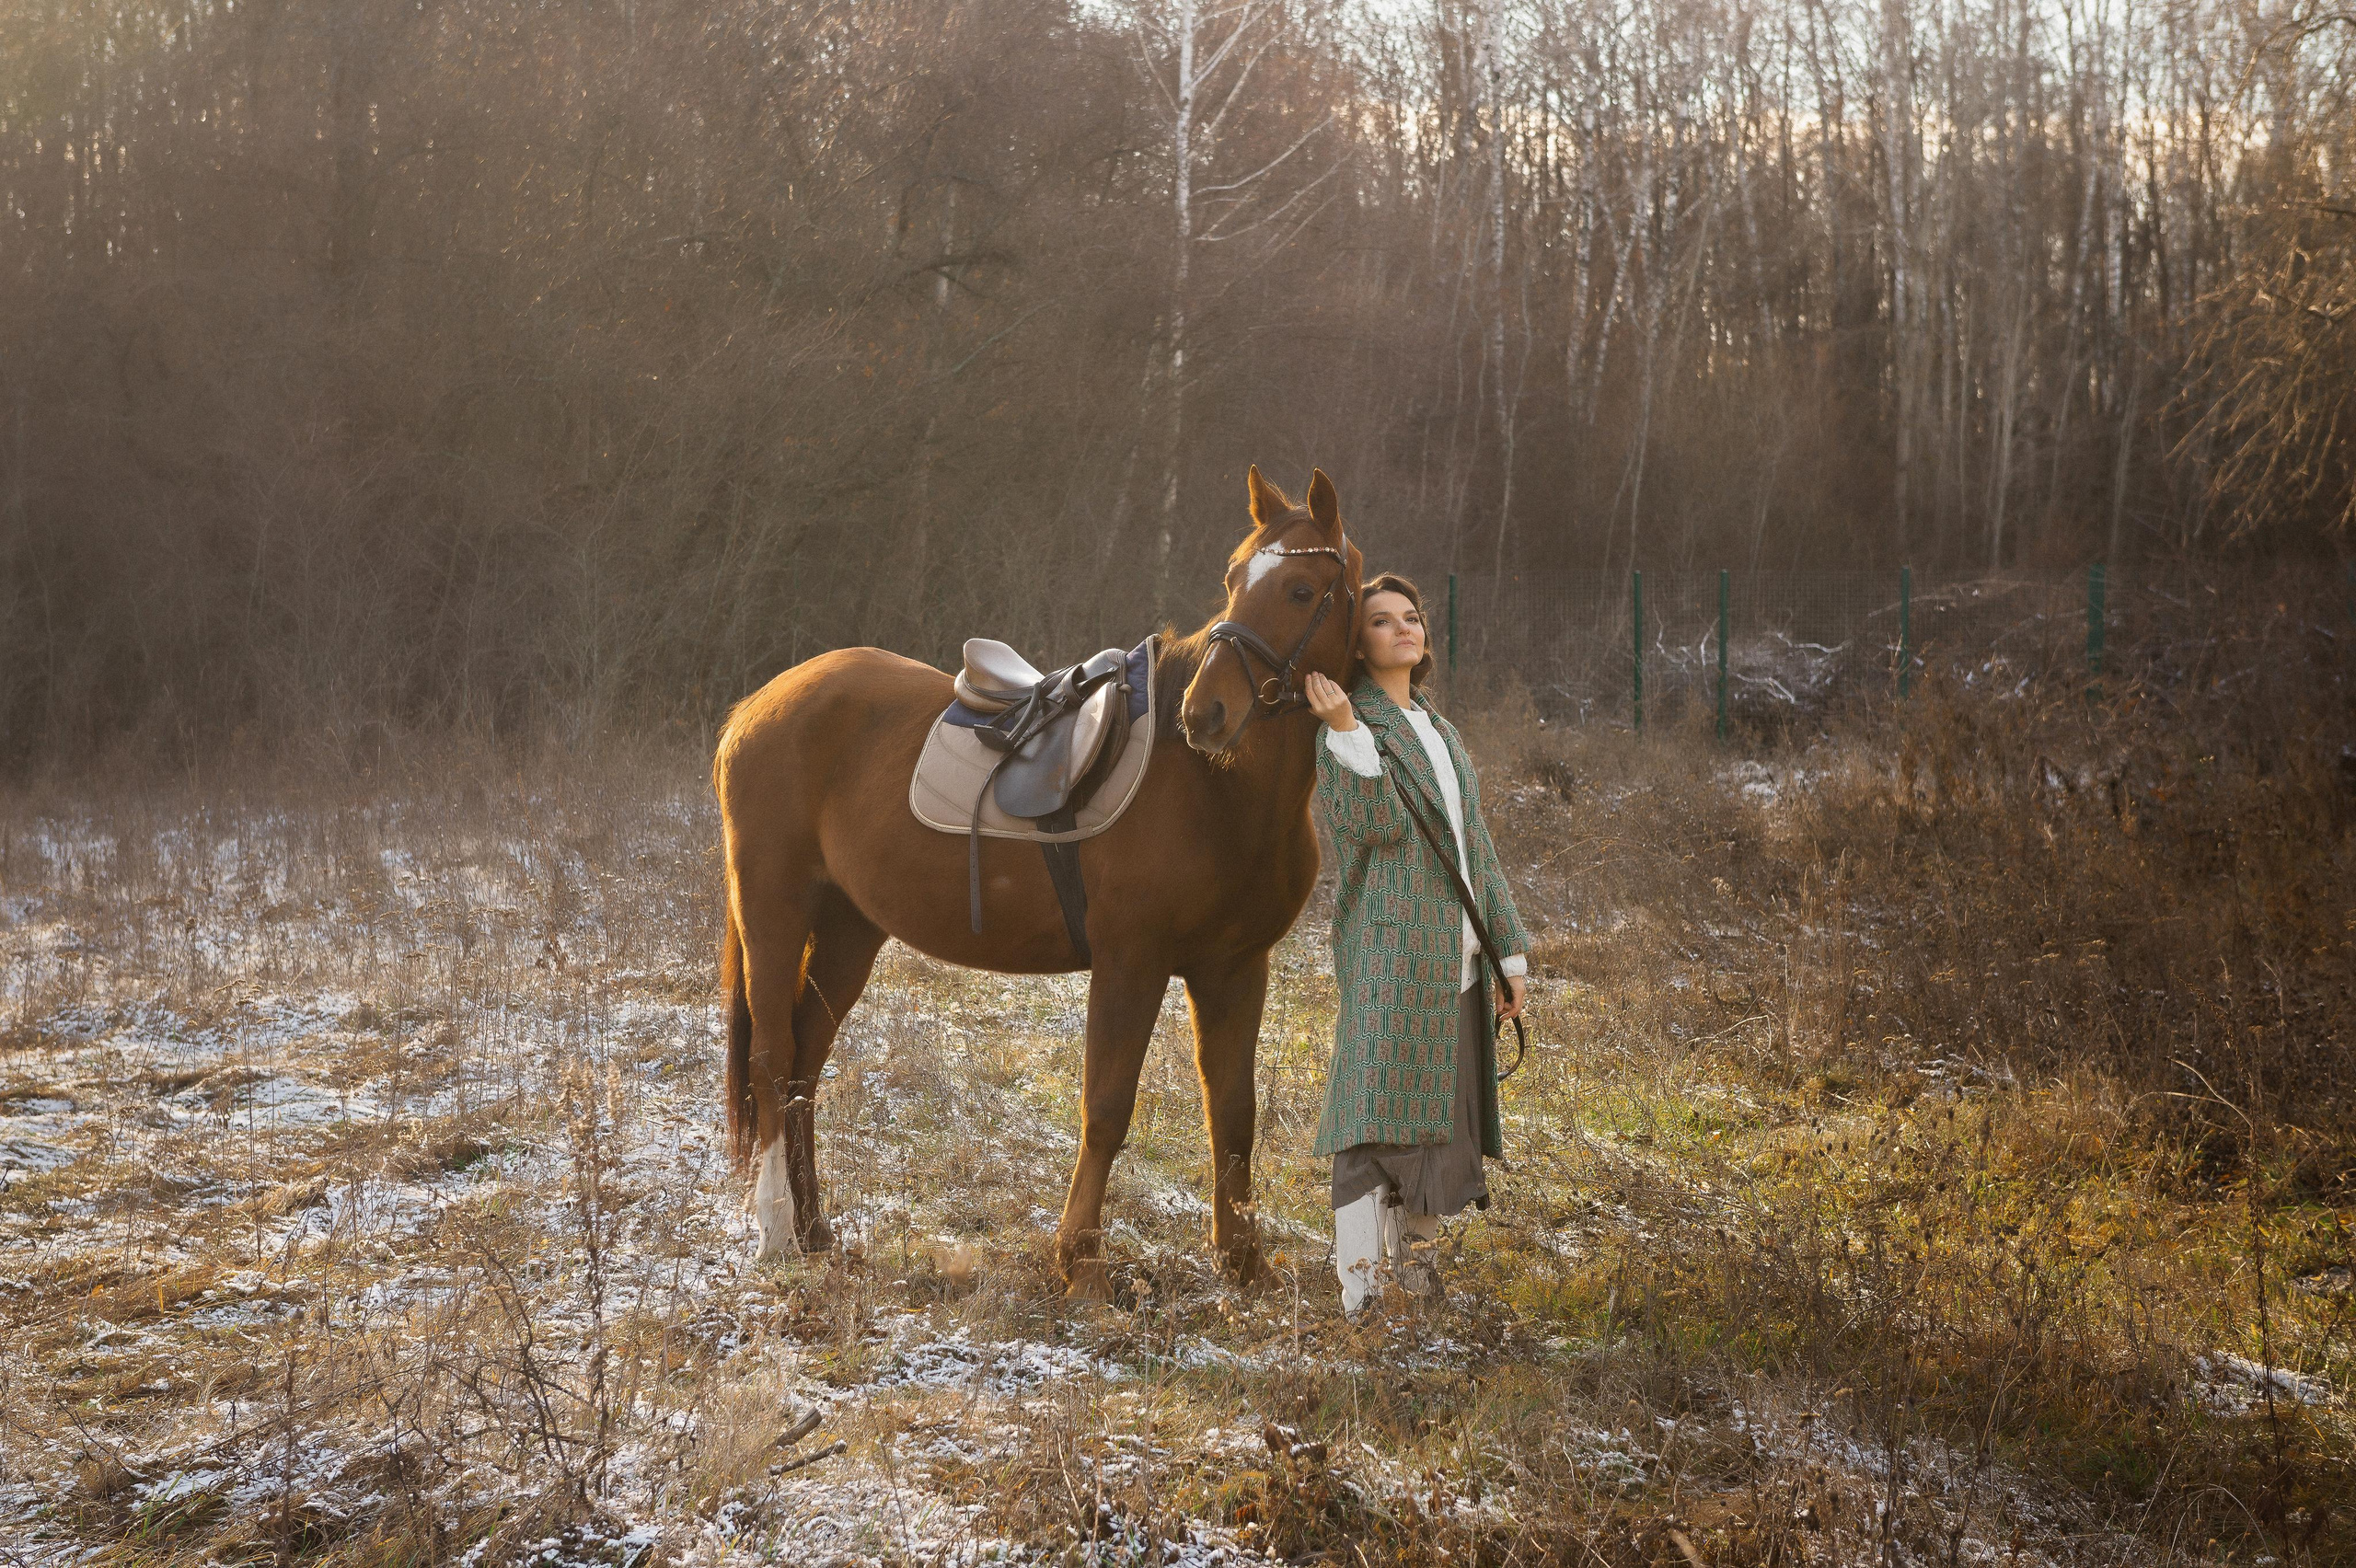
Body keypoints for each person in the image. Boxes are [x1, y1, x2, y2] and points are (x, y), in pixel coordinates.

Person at [1304, 572, 1530, 1316]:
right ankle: (1362, 1295)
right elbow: (1372, 825)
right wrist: (1343, 732)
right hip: (1391, 954)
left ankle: (1417, 1284)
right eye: (1381, 621)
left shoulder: (1440, 728)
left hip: (1458, 958)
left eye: (1411, 617)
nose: (1404, 628)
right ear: (1357, 645)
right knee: (1370, 1120)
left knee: (1440, 1120)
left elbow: (1479, 849)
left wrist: (1508, 955)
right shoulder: (1349, 728)